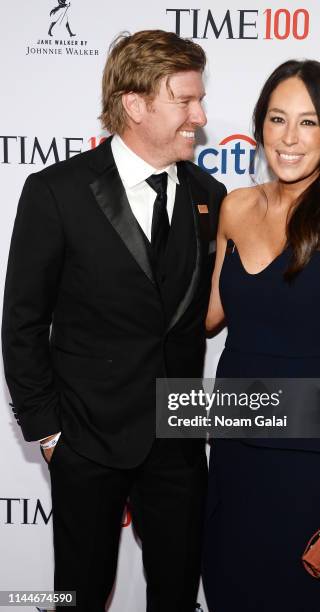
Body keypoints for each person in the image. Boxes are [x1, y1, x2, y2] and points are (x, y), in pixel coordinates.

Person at [2, 30, 226, 611]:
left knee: (176, 597)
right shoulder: (57, 192)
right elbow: (22, 321)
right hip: (86, 440)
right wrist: (49, 434)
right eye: (185, 100)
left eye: (199, 100)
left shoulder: (211, 194)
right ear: (135, 104)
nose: (200, 116)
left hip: (178, 443)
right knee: (77, 598)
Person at [202, 60, 320, 611]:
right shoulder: (234, 207)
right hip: (233, 443)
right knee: (230, 588)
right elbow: (208, 317)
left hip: (308, 452)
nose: (289, 138)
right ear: (259, 126)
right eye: (278, 119)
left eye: (307, 123)